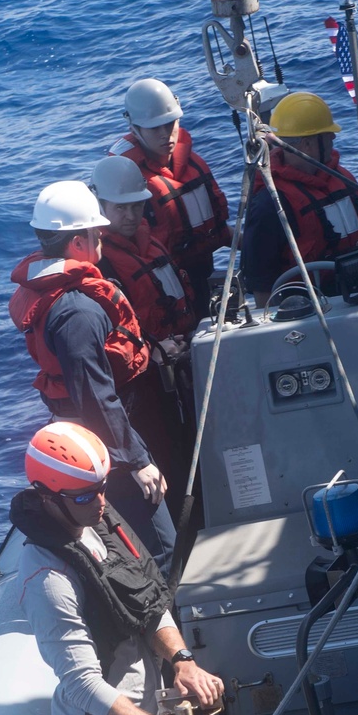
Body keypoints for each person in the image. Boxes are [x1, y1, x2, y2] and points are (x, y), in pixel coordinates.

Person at [12, 422, 223, 715]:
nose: (101, 503)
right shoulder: (47, 578)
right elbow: (83, 684)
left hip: (147, 711)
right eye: (86, 496)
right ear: (47, 497)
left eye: (102, 490)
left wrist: (182, 661)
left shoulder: (96, 523)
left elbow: (147, 598)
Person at [9, 179, 177, 573]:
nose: (102, 240)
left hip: (98, 430)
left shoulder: (66, 300)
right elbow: (96, 397)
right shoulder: (77, 313)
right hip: (105, 444)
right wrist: (137, 462)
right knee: (161, 550)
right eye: (96, 233)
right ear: (78, 243)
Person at [91, 154, 196, 512]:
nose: (130, 215)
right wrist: (155, 351)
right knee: (165, 455)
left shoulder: (151, 244)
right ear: (100, 206)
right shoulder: (100, 264)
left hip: (179, 365)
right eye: (119, 208)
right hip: (145, 382)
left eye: (136, 206)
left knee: (187, 447)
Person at [241, 91, 358, 307]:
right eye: (326, 134)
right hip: (309, 314)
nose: (333, 138)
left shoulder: (342, 180)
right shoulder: (270, 204)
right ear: (307, 144)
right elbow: (262, 286)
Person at [109, 78, 230, 304]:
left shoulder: (191, 164)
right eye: (155, 128)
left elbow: (220, 231)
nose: (166, 134)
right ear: (134, 129)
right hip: (166, 292)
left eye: (170, 123)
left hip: (202, 271)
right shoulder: (126, 181)